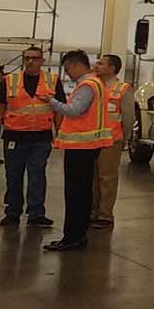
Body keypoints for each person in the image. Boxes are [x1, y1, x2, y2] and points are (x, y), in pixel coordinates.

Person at [0, 46, 62, 228]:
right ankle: (12, 212)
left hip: (41, 138)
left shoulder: (52, 81)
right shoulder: (10, 81)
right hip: (14, 137)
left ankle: (36, 213)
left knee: (37, 175)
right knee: (13, 175)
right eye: (27, 58)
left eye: (34, 58)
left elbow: (59, 110)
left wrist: (60, 133)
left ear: (42, 61)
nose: (30, 62)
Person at [43, 51, 108, 252]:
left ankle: (72, 237)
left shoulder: (87, 86)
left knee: (75, 194)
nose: (68, 73)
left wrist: (52, 102)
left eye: (68, 68)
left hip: (80, 147)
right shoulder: (97, 83)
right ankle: (78, 234)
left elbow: (74, 110)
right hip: (89, 146)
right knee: (83, 192)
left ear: (76, 64)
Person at [92, 54, 131, 231]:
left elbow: (129, 117)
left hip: (111, 139)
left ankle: (105, 214)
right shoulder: (93, 86)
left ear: (112, 68)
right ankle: (93, 211)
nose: (97, 66)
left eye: (101, 63)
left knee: (107, 178)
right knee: (93, 177)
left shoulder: (123, 89)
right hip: (91, 139)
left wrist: (125, 138)